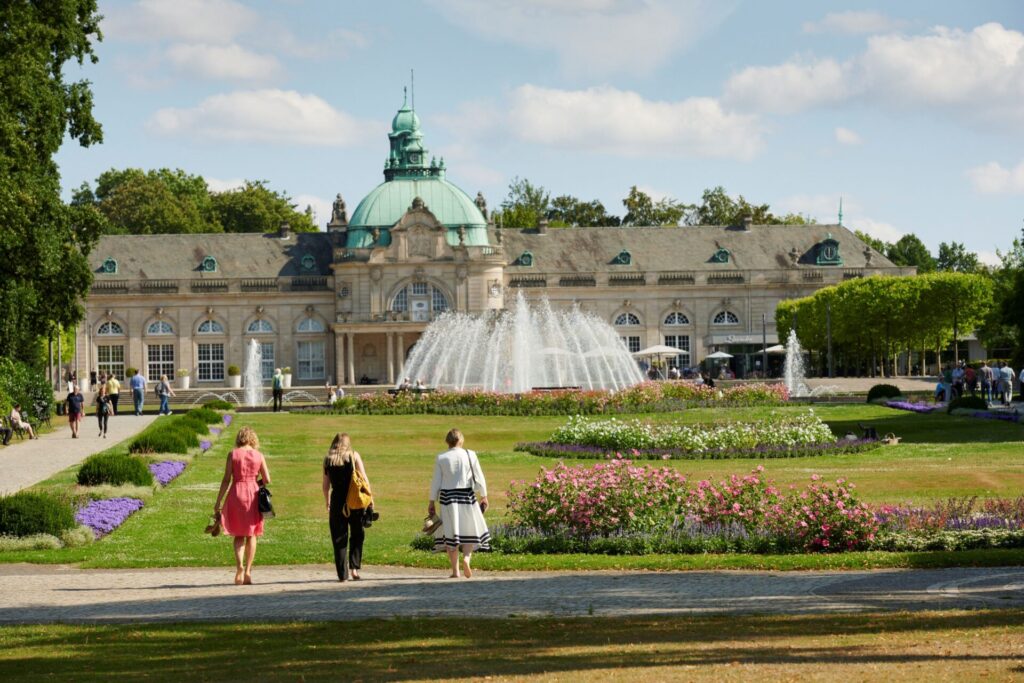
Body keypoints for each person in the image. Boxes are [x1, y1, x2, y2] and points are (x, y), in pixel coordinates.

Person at [428, 428, 489, 579]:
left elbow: (436, 481)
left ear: (447, 441)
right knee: (469, 530)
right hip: (467, 495)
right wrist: (484, 495)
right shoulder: (470, 454)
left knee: (451, 533)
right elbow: (479, 476)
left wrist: (431, 501)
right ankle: (467, 559)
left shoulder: (441, 457)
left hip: (448, 498)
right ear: (461, 440)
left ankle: (455, 571)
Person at [213, 426, 271, 585]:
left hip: (236, 493)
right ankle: (248, 571)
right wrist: (256, 482)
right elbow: (267, 479)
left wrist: (218, 502)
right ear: (253, 439)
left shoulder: (233, 454)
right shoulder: (259, 455)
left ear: (239, 438)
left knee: (238, 534)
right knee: (251, 534)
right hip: (252, 494)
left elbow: (226, 479)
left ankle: (239, 566)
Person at [322, 433, 372, 581]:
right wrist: (370, 500)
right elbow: (364, 479)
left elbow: (325, 486)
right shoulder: (353, 456)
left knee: (339, 538)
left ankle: (342, 574)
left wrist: (327, 501)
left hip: (337, 501)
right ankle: (354, 569)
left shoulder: (327, 460)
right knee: (357, 534)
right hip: (354, 500)